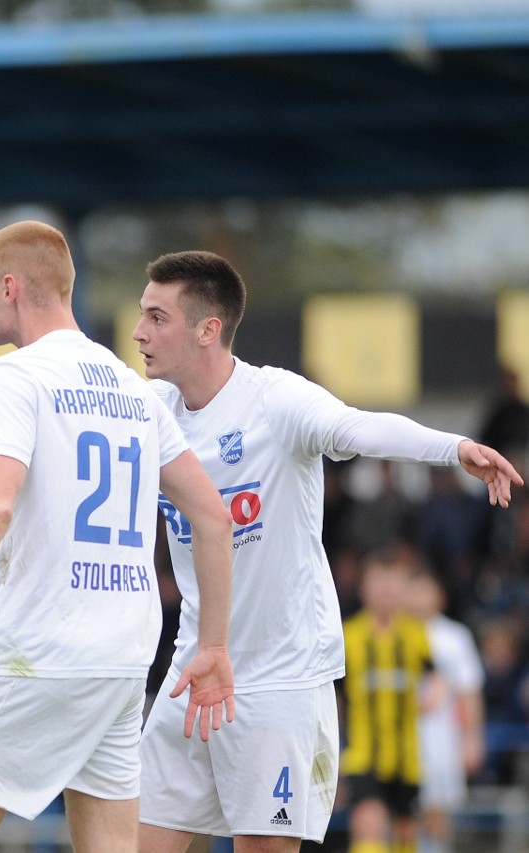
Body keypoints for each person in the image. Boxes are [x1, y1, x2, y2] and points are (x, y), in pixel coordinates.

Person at [130, 250, 524, 853]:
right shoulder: (153, 412)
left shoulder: (276, 401)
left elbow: (360, 428)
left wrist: (454, 448)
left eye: (157, 317)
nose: (138, 332)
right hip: (195, 672)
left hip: (280, 681)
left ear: (208, 329)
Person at [0, 221, 236, 853]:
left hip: (35, 653)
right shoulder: (133, 388)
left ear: (11, 287)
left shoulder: (11, 376)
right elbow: (212, 516)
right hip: (122, 655)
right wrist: (214, 645)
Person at [341, 549, 438, 853]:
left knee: (405, 832)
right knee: (368, 821)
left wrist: (434, 694)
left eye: (392, 586)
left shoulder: (415, 635)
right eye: (379, 585)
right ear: (364, 590)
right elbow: (335, 694)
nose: (386, 593)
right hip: (362, 752)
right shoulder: (349, 636)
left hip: (406, 755)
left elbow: (434, 677)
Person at [405, 569, 485, 853]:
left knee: (438, 810)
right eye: (412, 590)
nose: (417, 598)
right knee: (405, 813)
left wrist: (472, 739)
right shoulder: (396, 633)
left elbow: (469, 691)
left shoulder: (454, 637)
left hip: (441, 739)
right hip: (403, 738)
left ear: (440, 596)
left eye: (424, 590)